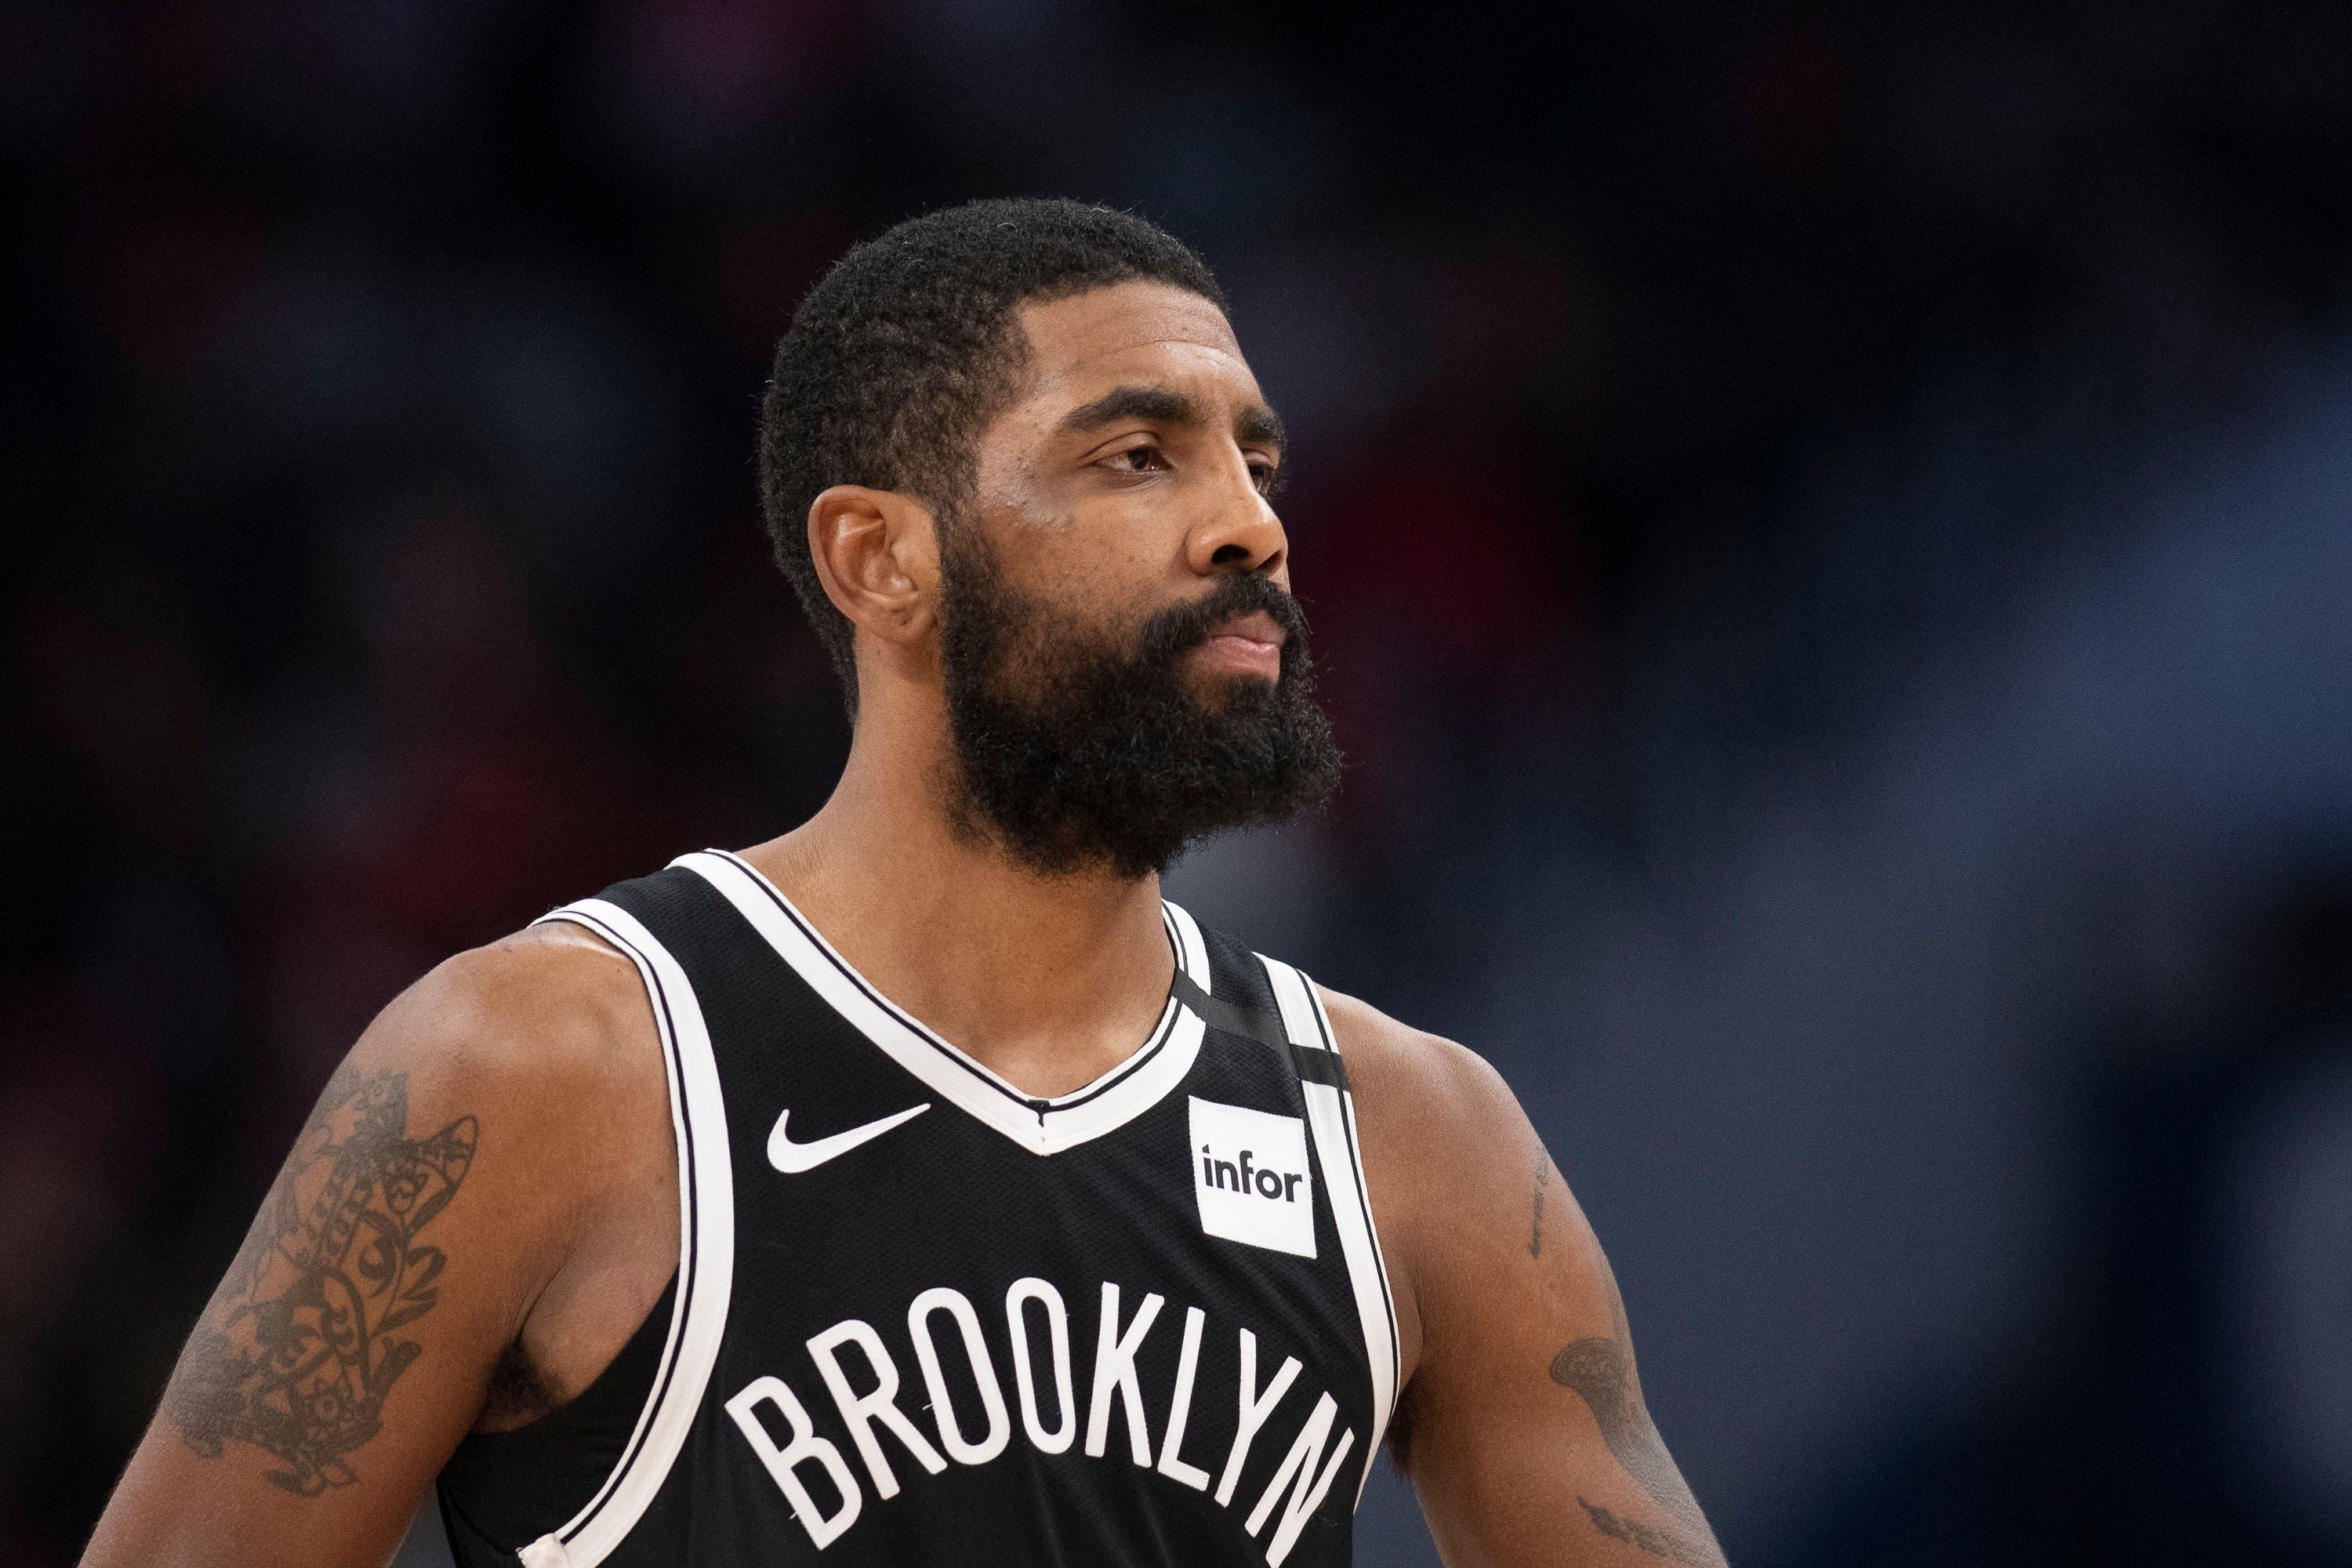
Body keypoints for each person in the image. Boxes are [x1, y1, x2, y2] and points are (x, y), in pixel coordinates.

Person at [79, 199, 1726, 1568]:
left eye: (1260, 463)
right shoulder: (540, 1068)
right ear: (882, 558)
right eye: (1140, 457)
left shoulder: (1416, 1136)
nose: (1250, 528)